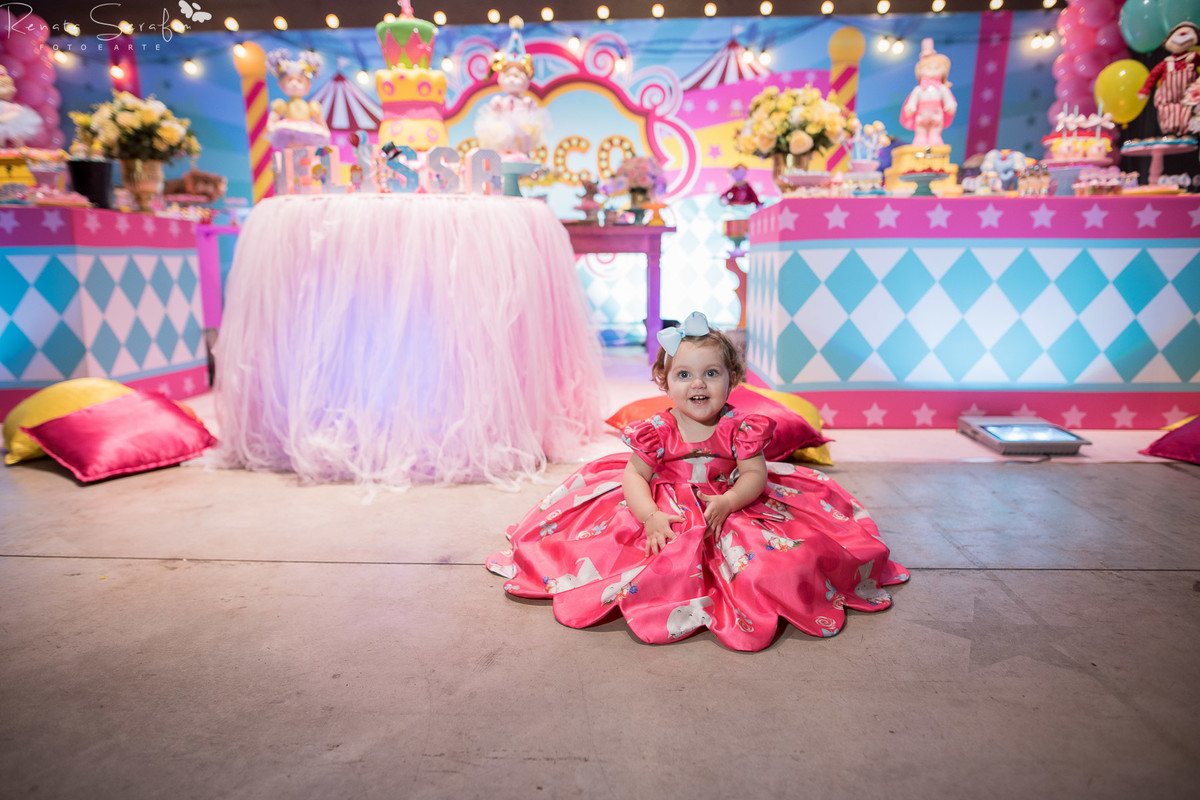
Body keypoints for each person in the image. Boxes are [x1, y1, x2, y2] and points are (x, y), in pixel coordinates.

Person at [486, 311, 908, 651]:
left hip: (730, 498)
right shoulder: (658, 429)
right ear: (664, 383)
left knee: (782, 557)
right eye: (683, 375)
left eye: (711, 373)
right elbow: (635, 474)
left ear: (732, 380)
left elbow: (754, 474)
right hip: (662, 500)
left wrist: (730, 502)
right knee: (621, 551)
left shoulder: (742, 427)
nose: (698, 384)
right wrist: (650, 515)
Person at [474, 16, 548, 160]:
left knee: (525, 134)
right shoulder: (501, 100)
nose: (512, 79)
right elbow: (493, 120)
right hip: (504, 131)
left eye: (517, 76)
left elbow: (533, 123)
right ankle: (504, 153)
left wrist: (529, 109)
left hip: (521, 131)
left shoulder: (525, 101)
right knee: (501, 136)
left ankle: (522, 153)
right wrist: (496, 108)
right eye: (508, 76)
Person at [1137, 22, 1199, 138]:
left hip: (1187, 98)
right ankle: (1170, 132)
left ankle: (1188, 132)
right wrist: (1145, 89)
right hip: (1168, 99)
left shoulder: (1192, 59)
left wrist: (1196, 58)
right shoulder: (1166, 63)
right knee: (1168, 113)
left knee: (1187, 113)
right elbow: (1153, 76)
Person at [265, 49, 331, 150]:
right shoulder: (283, 105)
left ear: (307, 85)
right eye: (290, 80)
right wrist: (270, 126)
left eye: (299, 81)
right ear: (282, 84)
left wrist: (325, 131)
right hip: (289, 128)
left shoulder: (311, 106)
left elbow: (319, 119)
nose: (294, 83)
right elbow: (274, 116)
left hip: (306, 129)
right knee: (290, 149)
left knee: (307, 150)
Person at [900, 38, 956, 148]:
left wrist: (950, 106)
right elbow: (912, 102)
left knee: (934, 136)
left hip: (936, 116)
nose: (932, 70)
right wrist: (910, 108)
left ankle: (932, 152)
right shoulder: (919, 90)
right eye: (928, 67)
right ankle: (920, 151)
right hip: (921, 117)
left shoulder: (942, 89)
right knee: (920, 136)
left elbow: (949, 101)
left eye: (935, 68)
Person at [0, 65, 43, 148]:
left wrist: (6, 118)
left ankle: (19, 149)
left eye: (10, 86)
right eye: (3, 86)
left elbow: (16, 115)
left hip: (7, 120)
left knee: (16, 130)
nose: (11, 89)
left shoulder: (10, 106)